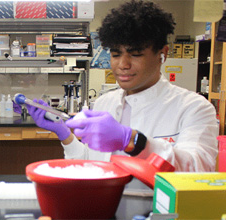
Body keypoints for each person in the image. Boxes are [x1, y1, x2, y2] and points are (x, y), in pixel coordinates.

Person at [26, 0, 218, 173]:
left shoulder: (194, 108)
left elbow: (197, 169)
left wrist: (133, 141)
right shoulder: (104, 103)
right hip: (107, 206)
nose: (123, 65)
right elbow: (92, 165)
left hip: (159, 209)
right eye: (116, 54)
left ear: (163, 54)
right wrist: (65, 134)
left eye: (135, 54)